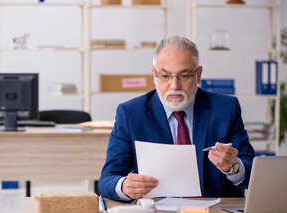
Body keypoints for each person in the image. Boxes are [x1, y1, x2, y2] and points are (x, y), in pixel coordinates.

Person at [98, 36, 255, 201]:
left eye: (184, 75)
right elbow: (107, 179)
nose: (174, 86)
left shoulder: (226, 109)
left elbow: (252, 172)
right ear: (154, 75)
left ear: (198, 74)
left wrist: (234, 167)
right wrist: (124, 186)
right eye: (165, 76)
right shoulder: (130, 113)